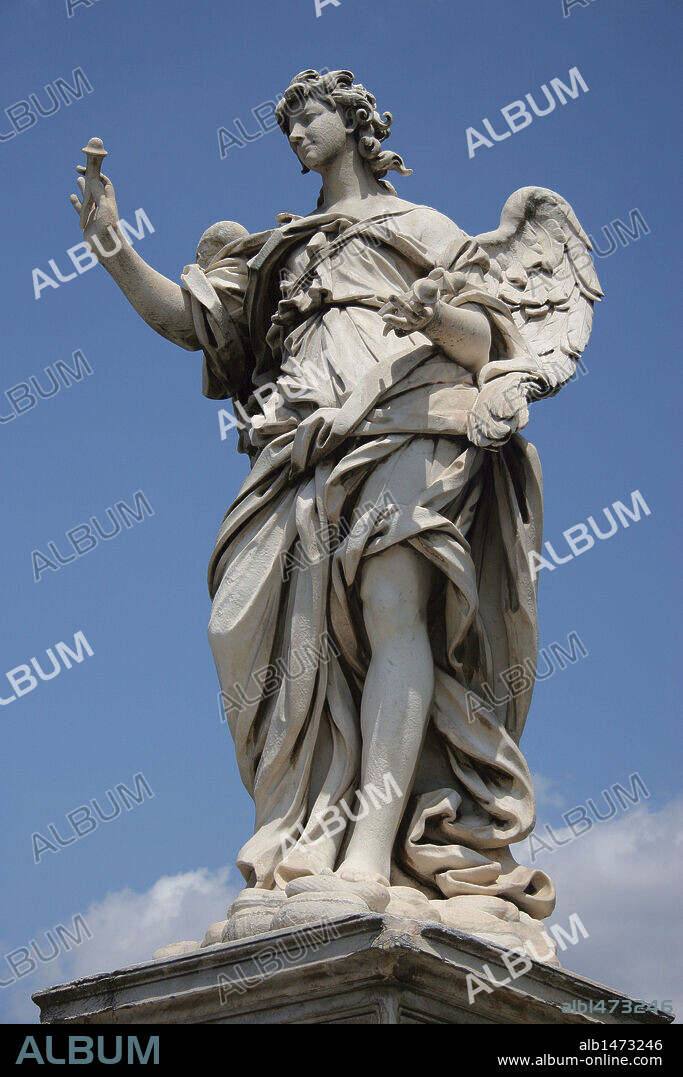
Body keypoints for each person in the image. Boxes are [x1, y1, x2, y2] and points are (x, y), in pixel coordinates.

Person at [70, 69, 555, 921]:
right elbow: (193, 323)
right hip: (297, 444)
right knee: (264, 636)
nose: (297, 132)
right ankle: (308, 835)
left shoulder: (425, 226)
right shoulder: (281, 249)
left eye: (311, 116)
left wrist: (435, 314)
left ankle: (371, 855)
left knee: (391, 604)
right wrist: (114, 249)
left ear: (356, 122)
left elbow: (490, 342)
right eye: (287, 122)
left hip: (404, 417)